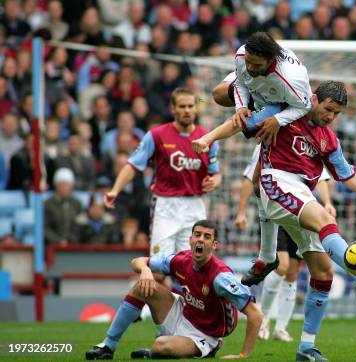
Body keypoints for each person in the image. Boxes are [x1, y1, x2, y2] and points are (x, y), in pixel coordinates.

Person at [193, 81, 356, 360]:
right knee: (322, 218)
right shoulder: (285, 111)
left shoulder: (329, 139)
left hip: (302, 193)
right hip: (275, 181)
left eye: (337, 113)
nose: (331, 116)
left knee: (322, 272)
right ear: (314, 99)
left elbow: (348, 176)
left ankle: (306, 347)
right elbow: (239, 123)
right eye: (328, 109)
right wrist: (208, 138)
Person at [213, 31, 314, 285]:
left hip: (283, 109)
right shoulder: (242, 57)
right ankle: (268, 256)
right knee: (216, 94)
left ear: (270, 60)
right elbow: (241, 80)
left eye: (255, 64)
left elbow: (303, 107)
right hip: (260, 97)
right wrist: (240, 107)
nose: (249, 66)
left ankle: (269, 256)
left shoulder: (291, 79)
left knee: (261, 179)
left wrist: (276, 120)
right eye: (248, 61)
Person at [85, 220, 263, 359]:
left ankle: (207, 349)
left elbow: (255, 314)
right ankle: (108, 346)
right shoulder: (181, 260)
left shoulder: (221, 277)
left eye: (207, 237)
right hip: (183, 312)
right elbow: (136, 261)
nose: (200, 239)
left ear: (214, 245)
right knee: (142, 286)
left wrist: (243, 355)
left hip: (205, 335)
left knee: (161, 346)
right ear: (190, 239)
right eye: (197, 235)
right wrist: (146, 270)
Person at [104, 87, 222, 257]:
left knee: (192, 268)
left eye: (190, 106)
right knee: (159, 267)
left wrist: (214, 182)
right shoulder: (157, 135)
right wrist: (115, 190)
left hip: (195, 206)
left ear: (196, 108)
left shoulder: (207, 139)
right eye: (182, 106)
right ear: (173, 109)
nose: (187, 110)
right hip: (165, 206)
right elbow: (133, 165)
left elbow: (216, 173)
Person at [236, 145, 336, 342]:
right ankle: (263, 320)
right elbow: (250, 178)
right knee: (281, 266)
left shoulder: (308, 141)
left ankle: (280, 328)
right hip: (278, 208)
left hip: (301, 211)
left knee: (292, 271)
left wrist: (327, 202)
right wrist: (241, 212)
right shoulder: (266, 142)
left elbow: (322, 177)